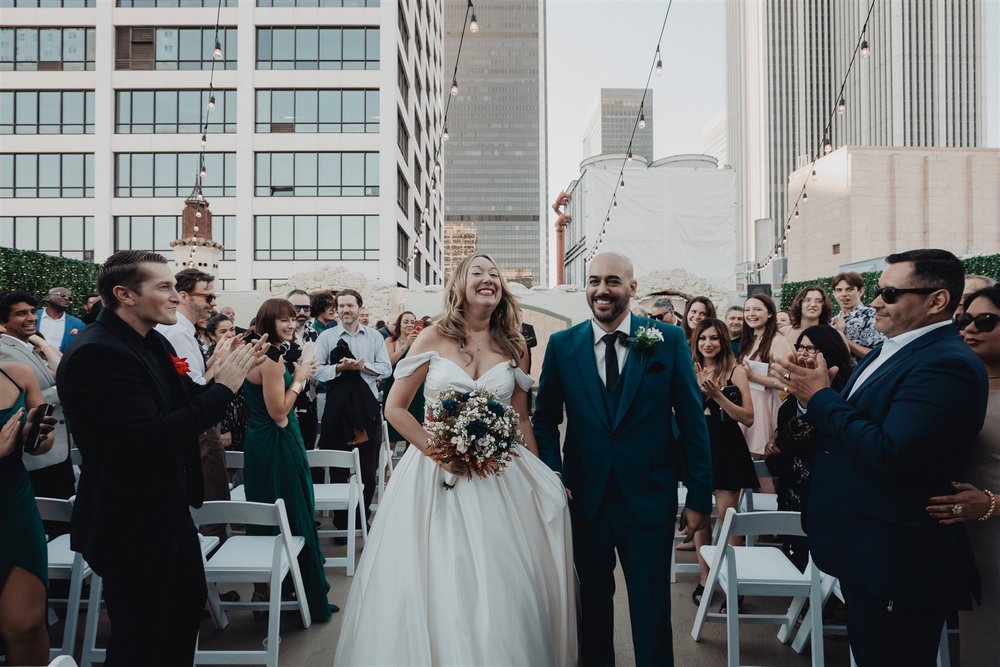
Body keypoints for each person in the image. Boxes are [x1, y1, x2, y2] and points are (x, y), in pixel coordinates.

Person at [335, 254, 577, 665]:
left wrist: (543, 474)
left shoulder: (516, 344)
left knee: (505, 578)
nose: (488, 278)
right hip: (436, 475)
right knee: (442, 576)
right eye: (477, 272)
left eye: (494, 273)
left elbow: (520, 417)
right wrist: (441, 453)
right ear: (460, 284)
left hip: (502, 473)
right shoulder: (431, 337)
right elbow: (395, 408)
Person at [773, 249, 987, 666]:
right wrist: (818, 391)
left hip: (897, 555)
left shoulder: (946, 364)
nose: (874, 302)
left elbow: (892, 451)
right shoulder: (888, 349)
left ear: (937, 301)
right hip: (865, 547)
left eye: (888, 293)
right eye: (876, 291)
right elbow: (853, 424)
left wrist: (819, 399)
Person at [57, 250, 263, 665]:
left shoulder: (150, 340)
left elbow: (184, 401)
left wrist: (216, 380)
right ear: (124, 294)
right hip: (129, 519)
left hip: (166, 508)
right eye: (165, 287)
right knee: (143, 640)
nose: (176, 296)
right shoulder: (99, 353)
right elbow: (153, 436)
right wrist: (225, 387)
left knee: (181, 617)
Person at [533, 252, 712, 666]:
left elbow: (691, 422)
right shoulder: (563, 345)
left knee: (652, 610)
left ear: (632, 288)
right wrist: (554, 474)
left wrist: (700, 497)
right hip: (585, 499)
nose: (601, 290)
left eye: (612, 281)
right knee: (591, 610)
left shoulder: (666, 341)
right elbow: (545, 420)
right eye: (593, 281)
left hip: (648, 499)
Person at [242, 298, 337, 621]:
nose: (288, 324)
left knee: (275, 511)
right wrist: (299, 378)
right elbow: (280, 413)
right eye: (281, 319)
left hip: (266, 441)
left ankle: (270, 592)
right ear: (266, 320)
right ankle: (282, 593)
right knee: (291, 510)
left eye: (290, 319)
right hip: (276, 442)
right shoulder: (269, 360)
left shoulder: (264, 352)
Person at [927, 287, 1000, 666]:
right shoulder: (953, 385)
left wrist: (990, 504)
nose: (970, 328)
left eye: (985, 321)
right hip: (960, 544)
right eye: (963, 320)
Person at [764, 325, 853, 571]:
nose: (803, 354)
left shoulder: (844, 392)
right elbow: (788, 434)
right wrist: (775, 441)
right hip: (795, 487)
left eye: (811, 348)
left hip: (827, 490)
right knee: (796, 555)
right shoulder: (793, 394)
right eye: (800, 347)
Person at [690, 318, 757, 607]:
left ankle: (734, 581)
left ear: (724, 341)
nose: (709, 343)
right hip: (698, 446)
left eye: (714, 338)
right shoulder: (689, 370)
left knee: (727, 517)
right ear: (696, 341)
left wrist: (718, 396)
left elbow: (748, 417)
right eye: (703, 338)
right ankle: (705, 576)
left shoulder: (736, 370)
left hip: (728, 446)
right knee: (700, 514)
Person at [156, 269, 231, 526]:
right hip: (198, 421)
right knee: (212, 488)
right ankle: (215, 547)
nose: (212, 303)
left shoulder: (183, 330)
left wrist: (216, 358)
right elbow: (194, 385)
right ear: (185, 296)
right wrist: (222, 368)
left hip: (194, 416)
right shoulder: (177, 331)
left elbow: (195, 373)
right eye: (207, 297)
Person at [314, 289, 391, 530]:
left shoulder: (374, 337)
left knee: (368, 470)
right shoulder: (326, 338)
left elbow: (386, 368)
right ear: (336, 310)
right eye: (342, 306)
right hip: (337, 409)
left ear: (359, 308)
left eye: (350, 305)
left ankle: (361, 519)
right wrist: (339, 368)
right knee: (338, 470)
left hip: (366, 408)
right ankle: (340, 523)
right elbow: (315, 371)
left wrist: (362, 366)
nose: (346, 310)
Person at [0, 352, 57, 665]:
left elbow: (42, 445)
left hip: (13, 504)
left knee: (26, 624)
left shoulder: (17, 373)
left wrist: (34, 436)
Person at [0, 291, 75, 503]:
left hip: (56, 448)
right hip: (34, 454)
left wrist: (41, 344)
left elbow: (61, 372)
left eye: (33, 311)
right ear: (3, 321)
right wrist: (63, 391)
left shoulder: (29, 347)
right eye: (21, 314)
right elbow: (16, 399)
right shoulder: (4, 350)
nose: (31, 317)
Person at [737, 294, 795, 459]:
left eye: (757, 309)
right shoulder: (750, 339)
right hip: (747, 403)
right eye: (747, 309)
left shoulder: (778, 341)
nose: (751, 313)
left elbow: (786, 381)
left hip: (764, 405)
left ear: (770, 313)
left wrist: (753, 376)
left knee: (760, 463)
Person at [381, 311, 424, 449]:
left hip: (416, 390)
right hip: (394, 387)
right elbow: (390, 362)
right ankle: (387, 470)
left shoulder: (421, 341)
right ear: (399, 324)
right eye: (406, 322)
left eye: (413, 322)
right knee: (392, 436)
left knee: (413, 439)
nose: (409, 325)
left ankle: (409, 469)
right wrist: (406, 345)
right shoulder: (390, 341)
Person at [206, 315, 247, 454]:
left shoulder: (237, 352)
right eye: (223, 331)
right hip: (226, 423)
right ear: (212, 335)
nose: (230, 334)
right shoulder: (212, 356)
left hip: (243, 419)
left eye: (232, 329)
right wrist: (224, 428)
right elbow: (212, 394)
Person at [287, 290, 319, 450]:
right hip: (288, 405)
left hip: (311, 402)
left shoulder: (313, 333)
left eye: (306, 308)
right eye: (297, 308)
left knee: (308, 452)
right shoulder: (284, 334)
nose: (302, 312)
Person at [831, 271, 884, 358]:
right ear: (834, 293)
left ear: (861, 291)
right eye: (839, 290)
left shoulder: (872, 316)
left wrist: (841, 337)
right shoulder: (832, 321)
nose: (844, 294)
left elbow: (879, 355)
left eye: (849, 289)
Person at [37, 287, 84, 353]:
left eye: (70, 298)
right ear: (48, 297)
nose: (66, 298)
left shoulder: (78, 324)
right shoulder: (33, 316)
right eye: (62, 295)